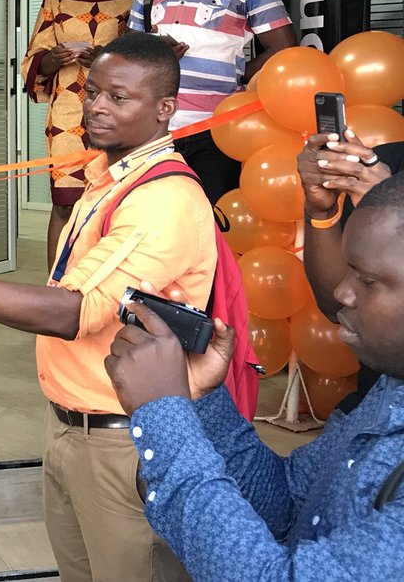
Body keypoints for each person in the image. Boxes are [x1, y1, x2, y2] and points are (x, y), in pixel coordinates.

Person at [0, 34, 216, 582]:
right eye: (92, 92)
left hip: (123, 437)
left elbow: (75, 312)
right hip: (72, 423)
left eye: (118, 97)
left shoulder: (161, 199)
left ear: (165, 108)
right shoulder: (109, 178)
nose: (96, 106)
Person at [104, 171, 404, 580]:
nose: (341, 292)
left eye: (367, 280)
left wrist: (163, 415)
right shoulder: (389, 391)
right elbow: (286, 504)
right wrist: (203, 399)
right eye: (349, 270)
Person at [127, 0, 296, 206]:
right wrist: (156, 52)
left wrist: (238, 73)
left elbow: (285, 48)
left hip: (217, 130)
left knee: (212, 222)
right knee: (157, 220)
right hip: (155, 129)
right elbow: (129, 49)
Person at [21, 0, 138, 267]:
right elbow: (32, 61)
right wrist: (52, 59)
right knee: (65, 202)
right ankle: (55, 283)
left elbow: (146, 57)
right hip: (68, 115)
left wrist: (106, 57)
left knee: (117, 200)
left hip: (119, 112)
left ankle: (106, 279)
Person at [297, 129, 404, 411]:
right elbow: (334, 306)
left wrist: (392, 214)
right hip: (369, 404)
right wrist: (321, 211)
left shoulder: (385, 183)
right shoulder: (383, 163)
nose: (344, 292)